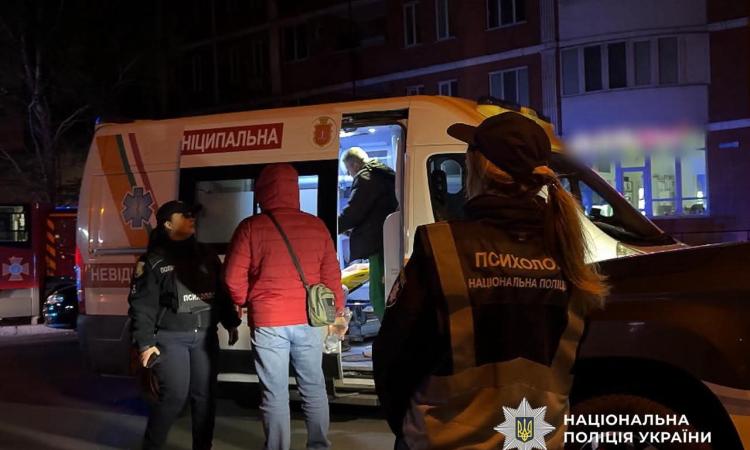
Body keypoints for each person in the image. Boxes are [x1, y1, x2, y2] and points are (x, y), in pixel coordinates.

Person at [372, 113, 608, 450]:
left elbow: (394, 358)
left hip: (448, 441)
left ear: (477, 168)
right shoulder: (567, 253)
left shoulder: (441, 246)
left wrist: (409, 428)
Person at [224, 163, 345, 450]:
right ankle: (319, 446)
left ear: (262, 191)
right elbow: (331, 275)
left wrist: (243, 301)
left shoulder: (250, 227)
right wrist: (337, 312)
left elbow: (231, 277)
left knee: (274, 393)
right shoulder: (316, 226)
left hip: (269, 320)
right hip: (309, 319)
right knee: (313, 388)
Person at [128, 200, 241, 450]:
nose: (191, 218)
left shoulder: (207, 255)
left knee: (205, 397)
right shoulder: (153, 261)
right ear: (168, 224)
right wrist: (145, 343)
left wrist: (231, 322)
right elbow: (142, 305)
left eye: (192, 215)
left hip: (205, 338)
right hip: (171, 339)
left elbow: (220, 293)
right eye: (184, 215)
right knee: (174, 397)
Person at [338, 147, 399, 321]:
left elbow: (354, 212)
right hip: (388, 240)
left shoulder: (365, 177)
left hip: (377, 243)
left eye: (348, 170)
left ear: (354, 165)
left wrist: (331, 226)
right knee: (387, 291)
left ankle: (387, 331)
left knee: (378, 296)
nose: (349, 175)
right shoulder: (385, 174)